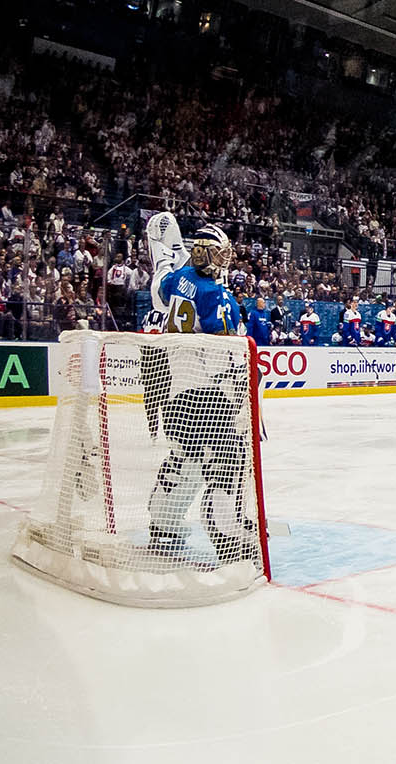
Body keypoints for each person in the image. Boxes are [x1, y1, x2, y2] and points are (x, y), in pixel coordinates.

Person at [142, 216, 256, 566]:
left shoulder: (179, 279)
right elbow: (228, 350)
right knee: (227, 465)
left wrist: (163, 256)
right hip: (208, 396)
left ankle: (163, 527)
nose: (225, 261)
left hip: (176, 395)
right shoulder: (217, 295)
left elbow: (160, 288)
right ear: (205, 254)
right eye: (220, 254)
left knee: (184, 460)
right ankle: (227, 537)